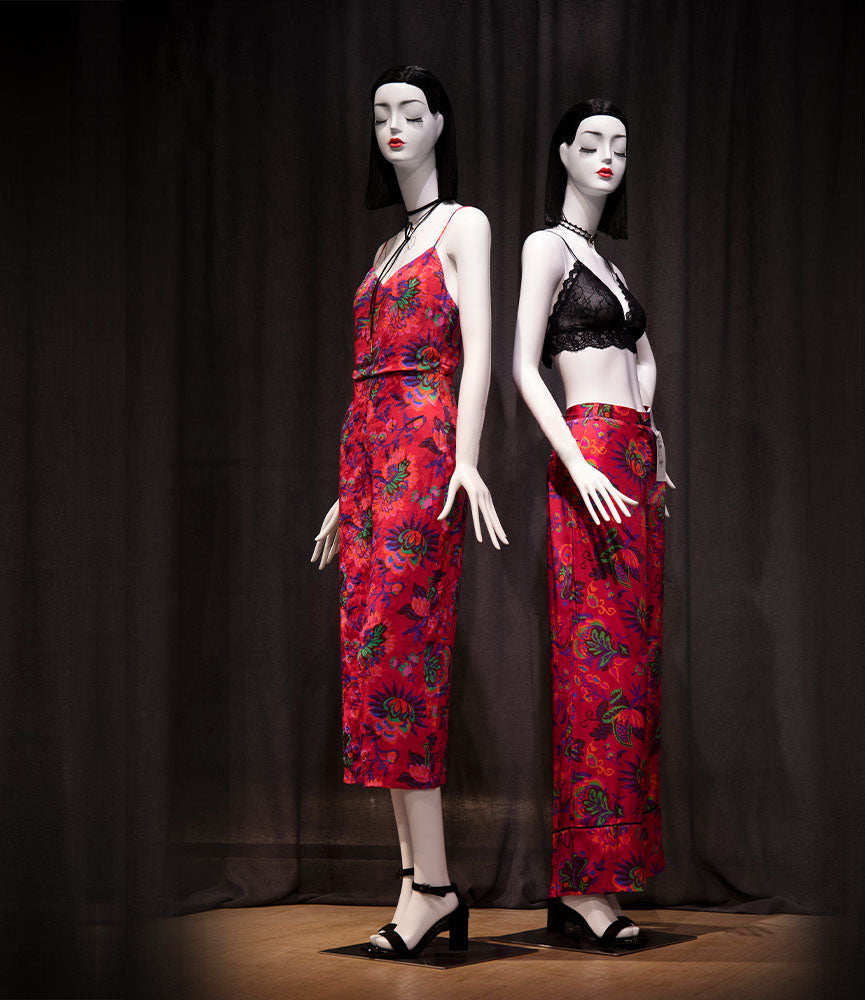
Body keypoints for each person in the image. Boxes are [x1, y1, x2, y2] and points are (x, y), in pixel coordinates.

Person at [311, 65, 507, 959]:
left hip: (424, 450)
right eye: (380, 111)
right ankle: (419, 883)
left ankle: (432, 888)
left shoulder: (464, 226)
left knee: (405, 657)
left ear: (440, 124)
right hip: (367, 458)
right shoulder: (386, 248)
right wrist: (344, 491)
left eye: (410, 110)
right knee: (374, 662)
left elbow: (478, 352)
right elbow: (368, 377)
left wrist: (465, 459)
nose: (393, 123)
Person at [512, 99, 674, 948]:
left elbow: (642, 358)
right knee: (593, 672)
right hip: (590, 460)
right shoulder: (546, 247)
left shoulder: (607, 262)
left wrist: (652, 437)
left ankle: (605, 878)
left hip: (633, 464)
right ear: (564, 154)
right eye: (592, 142)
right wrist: (577, 459)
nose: (608, 154)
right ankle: (582, 886)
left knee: (632, 673)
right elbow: (522, 365)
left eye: (621, 144)